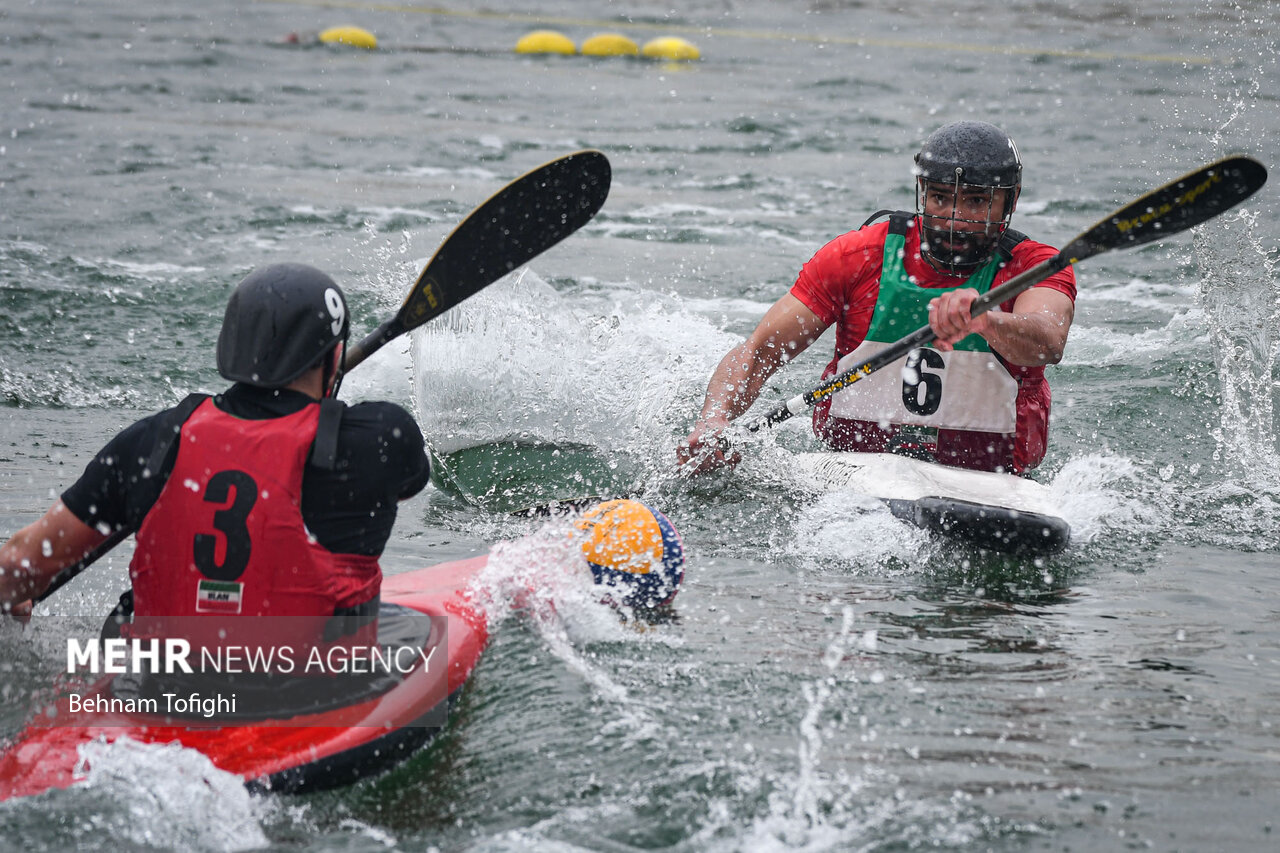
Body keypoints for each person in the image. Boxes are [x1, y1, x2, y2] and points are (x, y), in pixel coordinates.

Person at [0, 263, 430, 656]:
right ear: (335, 358)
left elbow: (23, 561)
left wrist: (19, 590)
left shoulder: (154, 441)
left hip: (157, 692)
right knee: (413, 631)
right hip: (302, 694)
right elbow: (406, 487)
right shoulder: (378, 437)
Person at [678, 121, 1076, 476]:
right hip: (853, 465)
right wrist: (714, 421)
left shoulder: (1035, 267)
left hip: (993, 477)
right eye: (940, 198)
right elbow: (759, 353)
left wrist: (988, 321)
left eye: (975, 202)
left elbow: (1047, 341)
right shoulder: (857, 256)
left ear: (1011, 200)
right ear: (922, 192)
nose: (954, 219)